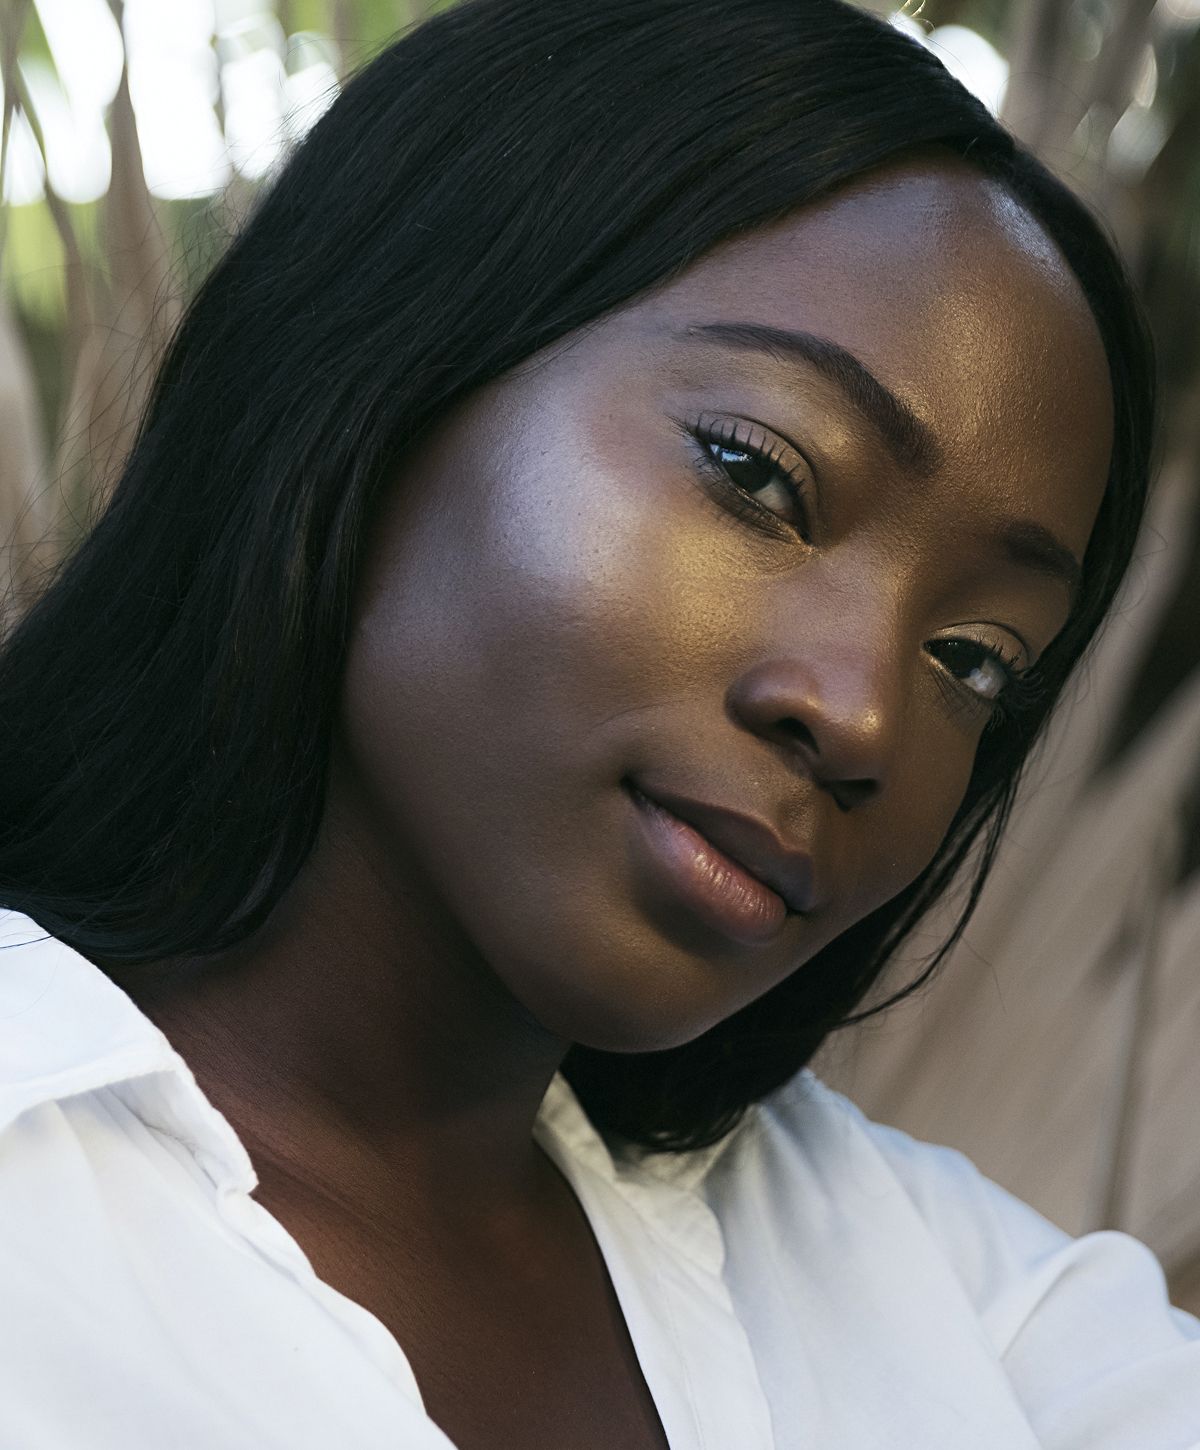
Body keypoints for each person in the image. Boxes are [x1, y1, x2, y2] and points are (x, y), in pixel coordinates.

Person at [0, 0, 1195, 1445]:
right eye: (760, 477)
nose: (865, 711)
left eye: (977, 657)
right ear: (379, 363)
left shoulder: (957, 1300)